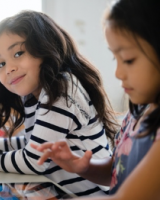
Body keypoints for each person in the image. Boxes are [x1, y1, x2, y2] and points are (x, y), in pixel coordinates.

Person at [0, 10, 119, 196]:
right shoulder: (35, 95)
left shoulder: (61, 88)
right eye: (1, 64)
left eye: (18, 53)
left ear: (45, 48)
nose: (9, 68)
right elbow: (31, 144)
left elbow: (34, 161)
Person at [31, 0, 160, 199]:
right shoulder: (137, 113)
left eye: (128, 59)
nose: (117, 72)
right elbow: (117, 170)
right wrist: (81, 166)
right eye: (114, 58)